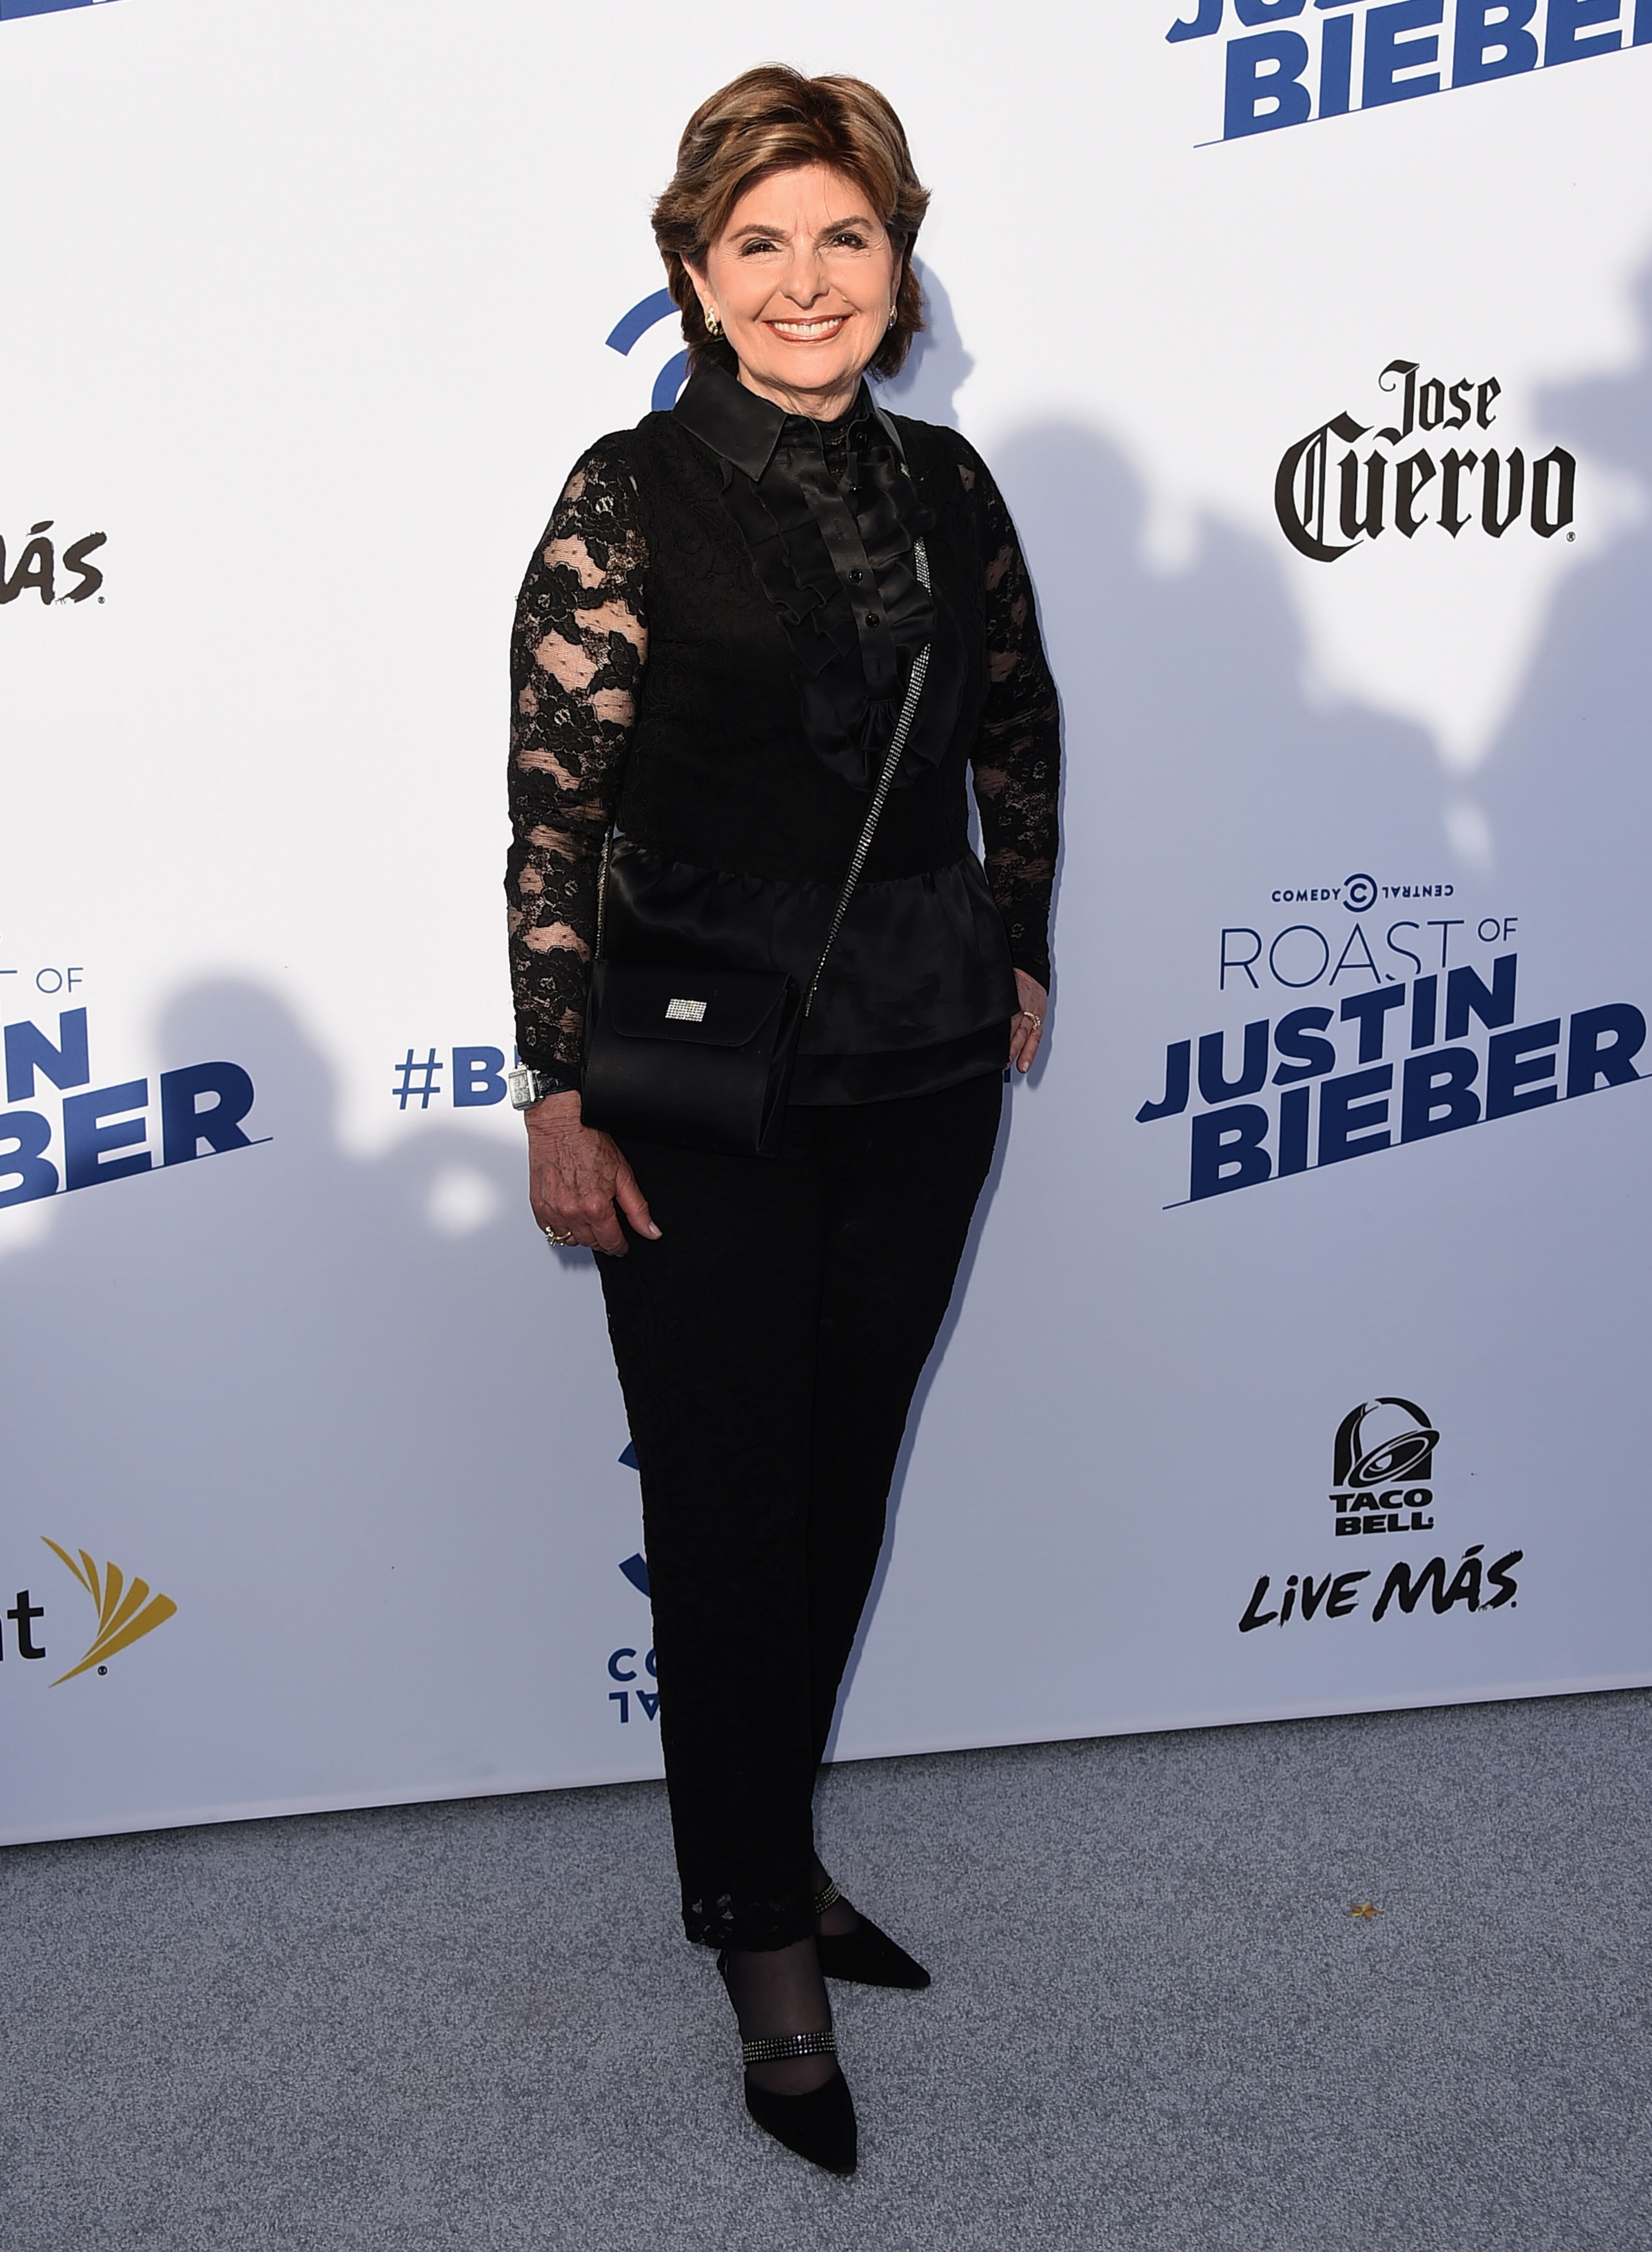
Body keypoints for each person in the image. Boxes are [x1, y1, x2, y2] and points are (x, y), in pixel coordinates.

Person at [505, 64, 1059, 2176]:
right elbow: (555, 807)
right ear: (697, 275)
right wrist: (557, 1084)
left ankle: (762, 1841)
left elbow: (1016, 727)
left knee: (837, 1491)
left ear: (895, 263)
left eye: (846, 236)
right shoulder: (626, 496)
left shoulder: (951, 484)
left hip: (924, 1066)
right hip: (699, 1081)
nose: (810, 280)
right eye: (764, 243)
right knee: (730, 1503)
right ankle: (758, 1923)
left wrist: (1021, 944)